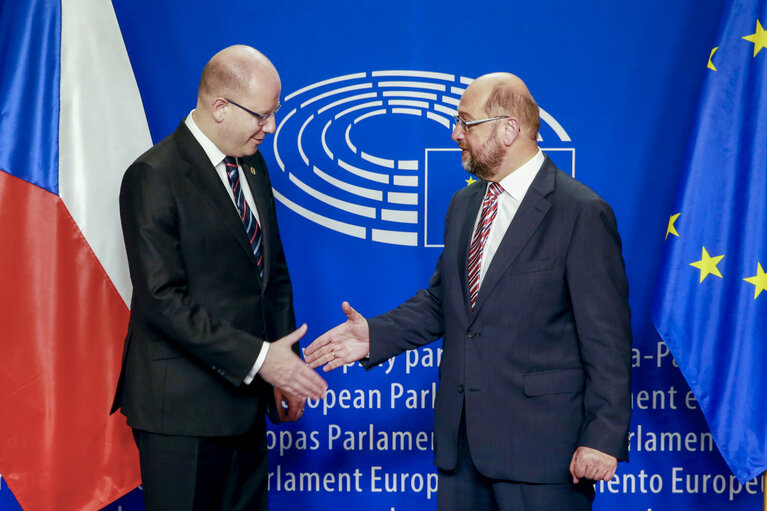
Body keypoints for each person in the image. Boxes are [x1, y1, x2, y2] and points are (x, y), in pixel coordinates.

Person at [305, 72, 632, 511]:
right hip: (462, 454)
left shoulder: (581, 212)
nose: (455, 134)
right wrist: (374, 335)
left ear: (508, 129)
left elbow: (607, 340)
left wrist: (603, 439)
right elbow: (445, 301)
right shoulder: (464, 205)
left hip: (544, 457)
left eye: (465, 122)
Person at [111, 45, 327, 511]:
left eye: (275, 113)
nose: (270, 127)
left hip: (246, 406)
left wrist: (282, 374)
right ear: (220, 107)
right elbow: (162, 299)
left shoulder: (251, 164)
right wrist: (260, 359)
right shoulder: (153, 175)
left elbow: (273, 277)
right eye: (263, 115)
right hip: (181, 414)